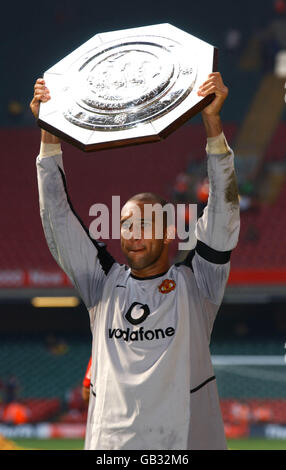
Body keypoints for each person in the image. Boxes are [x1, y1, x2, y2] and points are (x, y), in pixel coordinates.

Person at [30, 72, 240, 450]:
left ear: (169, 231)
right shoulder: (102, 284)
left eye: (144, 222)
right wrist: (50, 131)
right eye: (125, 224)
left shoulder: (199, 284)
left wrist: (212, 124)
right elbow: (58, 220)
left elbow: (224, 212)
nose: (132, 231)